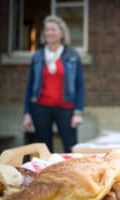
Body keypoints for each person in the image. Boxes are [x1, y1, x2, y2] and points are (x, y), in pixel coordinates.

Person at [23, 15, 85, 153]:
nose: (49, 32)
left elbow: (80, 85)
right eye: (47, 29)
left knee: (71, 147)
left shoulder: (72, 55)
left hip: (66, 108)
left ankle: (72, 175)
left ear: (62, 33)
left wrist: (78, 112)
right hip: (40, 107)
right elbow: (30, 86)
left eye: (53, 29)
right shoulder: (38, 56)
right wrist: (27, 112)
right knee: (43, 149)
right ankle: (46, 174)